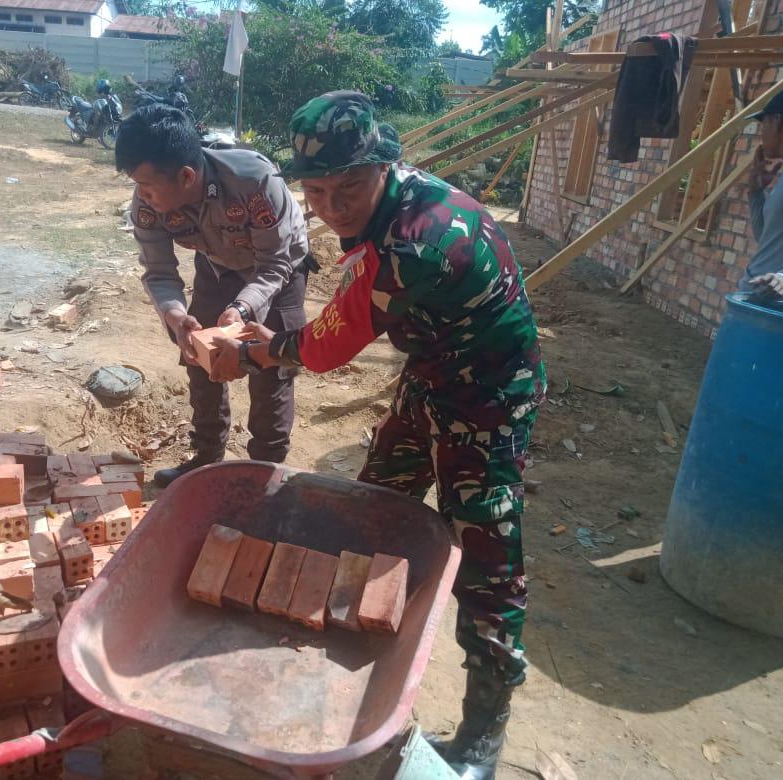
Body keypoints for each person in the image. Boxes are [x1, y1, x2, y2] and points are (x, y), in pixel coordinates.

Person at [213, 92, 546, 778]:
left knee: (485, 553)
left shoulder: (417, 243)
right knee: (379, 502)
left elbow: (331, 344)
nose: (334, 207)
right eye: (317, 191)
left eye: (350, 187)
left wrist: (251, 354)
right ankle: (359, 634)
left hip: (487, 396)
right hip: (433, 372)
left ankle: (487, 725)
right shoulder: (399, 202)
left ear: (385, 166)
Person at [114, 104, 313, 487]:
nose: (142, 195)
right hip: (217, 266)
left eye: (148, 185)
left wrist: (242, 308)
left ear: (186, 175)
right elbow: (158, 272)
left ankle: (264, 474)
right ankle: (205, 460)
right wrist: (176, 318)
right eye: (136, 184)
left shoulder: (254, 182)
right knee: (199, 356)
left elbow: (274, 264)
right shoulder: (147, 205)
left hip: (280, 271)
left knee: (271, 367)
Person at [742, 84, 783, 298]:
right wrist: (755, 194)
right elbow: (768, 241)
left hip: (780, 310)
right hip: (757, 302)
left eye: (763, 122)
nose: (761, 133)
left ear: (778, 121)